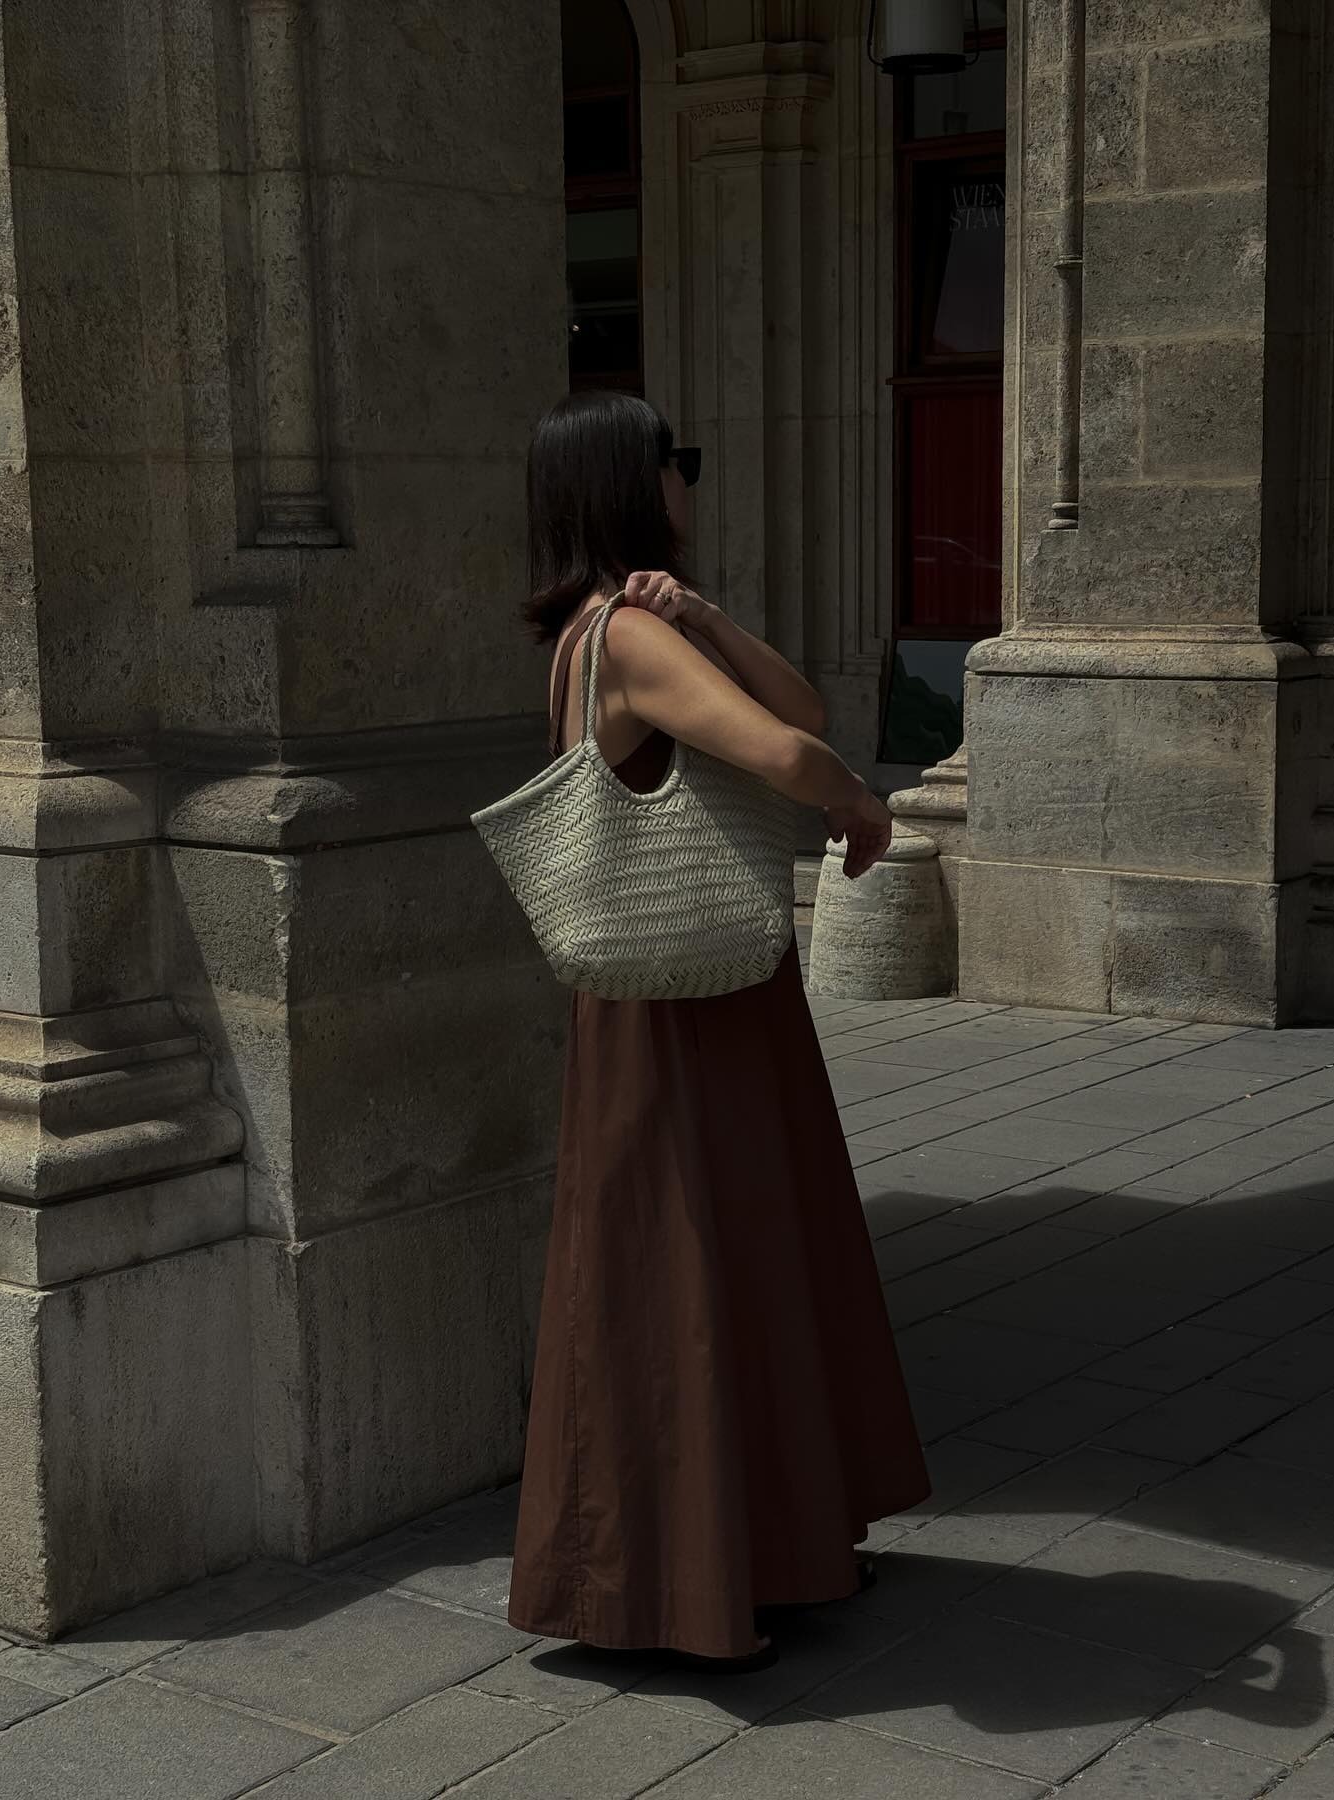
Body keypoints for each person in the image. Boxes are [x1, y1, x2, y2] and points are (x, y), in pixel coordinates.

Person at [507, 390, 930, 1673]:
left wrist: (712, 613)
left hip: (679, 998)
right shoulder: (625, 637)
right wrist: (862, 809)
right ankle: (691, 1588)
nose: (690, 478)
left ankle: (753, 1555)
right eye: (674, 461)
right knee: (692, 1270)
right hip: (691, 1007)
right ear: (633, 484)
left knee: (718, 1260)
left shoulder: (615, 627)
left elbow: (786, 692)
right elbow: (787, 747)